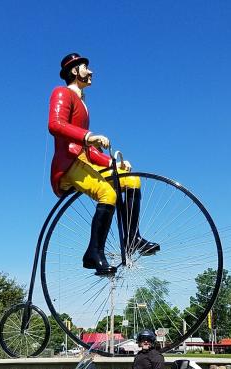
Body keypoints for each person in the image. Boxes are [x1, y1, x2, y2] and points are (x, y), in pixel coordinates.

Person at [47, 53, 159, 276]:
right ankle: (93, 252)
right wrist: (89, 136)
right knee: (107, 193)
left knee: (131, 179)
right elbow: (55, 124)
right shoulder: (62, 92)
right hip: (68, 162)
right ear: (74, 71)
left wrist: (113, 163)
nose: (90, 71)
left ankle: (132, 237)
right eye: (85, 67)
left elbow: (88, 150)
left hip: (84, 159)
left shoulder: (83, 103)